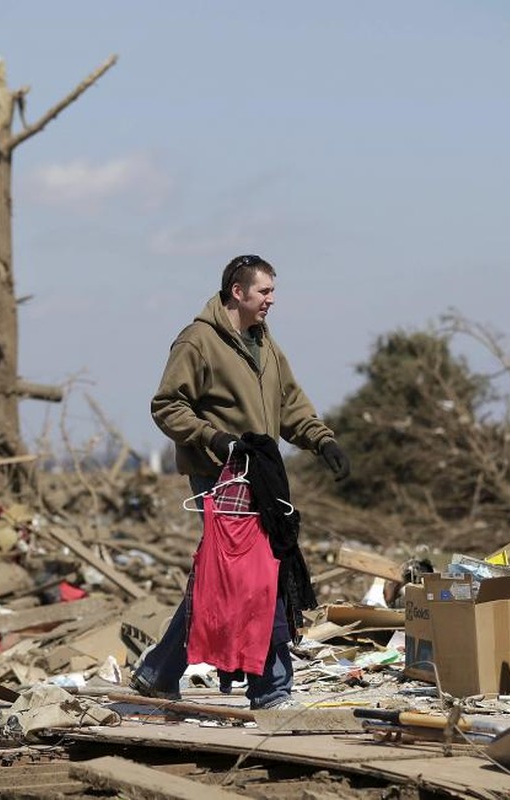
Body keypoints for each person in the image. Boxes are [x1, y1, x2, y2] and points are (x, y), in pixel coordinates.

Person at [131, 253, 350, 710]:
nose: (272, 300)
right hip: (220, 473)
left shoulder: (263, 342)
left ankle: (158, 671)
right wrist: (215, 438)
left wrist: (322, 441)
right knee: (254, 575)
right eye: (265, 291)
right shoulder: (198, 341)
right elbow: (167, 405)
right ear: (238, 291)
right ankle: (271, 690)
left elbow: (289, 403)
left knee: (229, 578)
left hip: (263, 474)